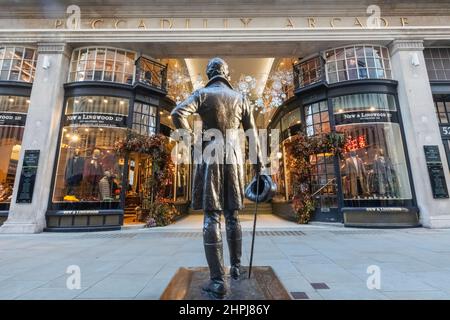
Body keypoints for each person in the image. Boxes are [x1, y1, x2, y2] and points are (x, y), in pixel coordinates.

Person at [171, 57, 263, 299]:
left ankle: (217, 281)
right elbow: (252, 133)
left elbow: (177, 113)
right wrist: (259, 165)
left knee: (212, 216)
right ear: (226, 73)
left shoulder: (202, 94)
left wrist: (192, 142)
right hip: (233, 159)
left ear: (209, 72)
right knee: (233, 215)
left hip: (210, 156)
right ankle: (236, 268)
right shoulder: (241, 98)